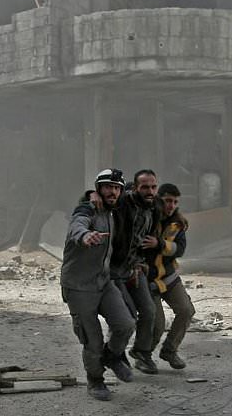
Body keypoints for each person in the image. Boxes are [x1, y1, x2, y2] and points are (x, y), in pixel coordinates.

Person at [61, 168, 135, 401]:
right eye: (107, 187)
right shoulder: (89, 208)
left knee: (125, 324)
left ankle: (112, 356)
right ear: (98, 189)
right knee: (91, 339)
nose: (112, 192)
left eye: (116, 188)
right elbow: (77, 224)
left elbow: (140, 197)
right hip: (79, 287)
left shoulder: (113, 212)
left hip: (103, 282)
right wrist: (85, 236)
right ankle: (95, 380)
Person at [89, 169, 161, 374]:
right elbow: (103, 195)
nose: (149, 191)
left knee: (148, 311)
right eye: (144, 187)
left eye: (153, 187)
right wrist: (89, 194)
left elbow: (148, 238)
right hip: (115, 270)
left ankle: (141, 353)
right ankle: (115, 354)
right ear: (135, 188)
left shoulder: (154, 207)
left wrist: (145, 257)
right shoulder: (123, 203)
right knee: (125, 315)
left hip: (134, 268)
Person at [146, 183, 195, 369]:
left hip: (169, 277)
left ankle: (169, 351)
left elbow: (180, 249)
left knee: (186, 310)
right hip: (148, 280)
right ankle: (144, 354)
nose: (171, 205)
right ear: (158, 199)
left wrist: (159, 244)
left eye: (175, 202)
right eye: (167, 201)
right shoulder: (146, 218)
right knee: (157, 324)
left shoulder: (178, 223)